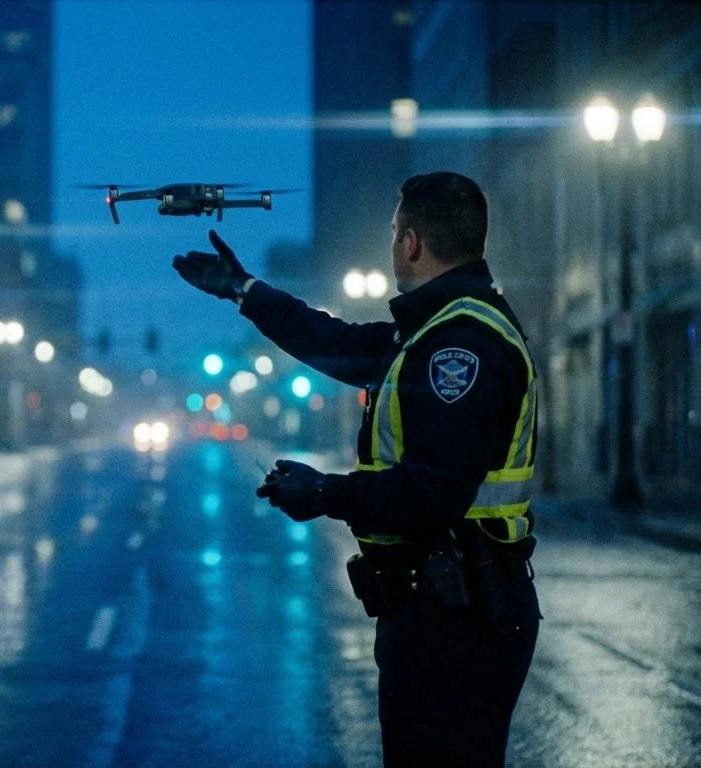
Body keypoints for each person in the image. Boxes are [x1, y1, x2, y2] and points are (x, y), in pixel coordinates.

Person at [172, 172, 541, 767]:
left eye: (396, 233)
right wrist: (242, 290)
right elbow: (335, 342)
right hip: (442, 609)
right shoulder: (430, 329)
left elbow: (432, 494)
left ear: (413, 243)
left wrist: (320, 492)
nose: (393, 245)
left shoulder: (459, 345)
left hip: (459, 617)